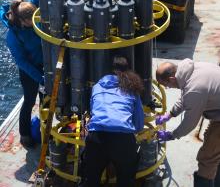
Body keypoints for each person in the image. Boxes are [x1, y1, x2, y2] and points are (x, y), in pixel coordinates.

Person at [155, 58, 220, 187]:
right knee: (213, 146)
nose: (168, 88)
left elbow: (190, 123)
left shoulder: (195, 88)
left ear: (172, 79)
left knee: (207, 158)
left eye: (167, 86)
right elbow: (186, 96)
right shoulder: (193, 70)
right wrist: (170, 114)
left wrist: (172, 135)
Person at [81, 56, 145, 187]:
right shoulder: (132, 89)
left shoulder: (97, 87)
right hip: (123, 140)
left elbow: (93, 111)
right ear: (127, 71)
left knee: (91, 180)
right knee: (126, 180)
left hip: (97, 137)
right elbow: (139, 124)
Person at [0, 0, 43, 148]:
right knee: (29, 101)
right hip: (29, 70)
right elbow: (22, 62)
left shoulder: (29, 17)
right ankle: (25, 135)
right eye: (33, 20)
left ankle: (45, 127)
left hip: (44, 65)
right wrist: (40, 78)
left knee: (46, 98)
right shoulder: (13, 37)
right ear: (24, 21)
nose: (36, 22)